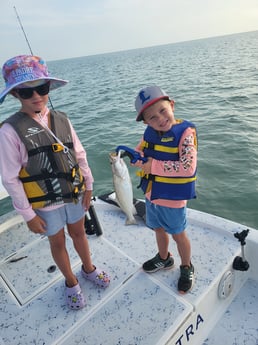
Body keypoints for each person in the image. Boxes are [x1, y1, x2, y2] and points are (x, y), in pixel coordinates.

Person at [0, 55, 110, 309]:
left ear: (49, 88)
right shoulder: (8, 131)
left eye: (42, 88)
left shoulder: (62, 119)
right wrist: (28, 214)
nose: (36, 96)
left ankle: (88, 269)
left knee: (79, 233)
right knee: (57, 241)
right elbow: (10, 178)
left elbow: (79, 153)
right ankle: (71, 281)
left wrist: (89, 185)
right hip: (45, 203)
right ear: (16, 94)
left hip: (73, 193)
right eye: (27, 92)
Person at [132, 85, 197, 294]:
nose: (159, 119)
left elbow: (188, 167)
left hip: (172, 200)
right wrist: (137, 158)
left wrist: (153, 166)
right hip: (152, 194)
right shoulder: (148, 133)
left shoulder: (186, 133)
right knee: (157, 229)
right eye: (151, 117)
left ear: (171, 105)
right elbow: (141, 150)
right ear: (145, 122)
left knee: (178, 235)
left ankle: (186, 266)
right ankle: (164, 258)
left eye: (162, 110)